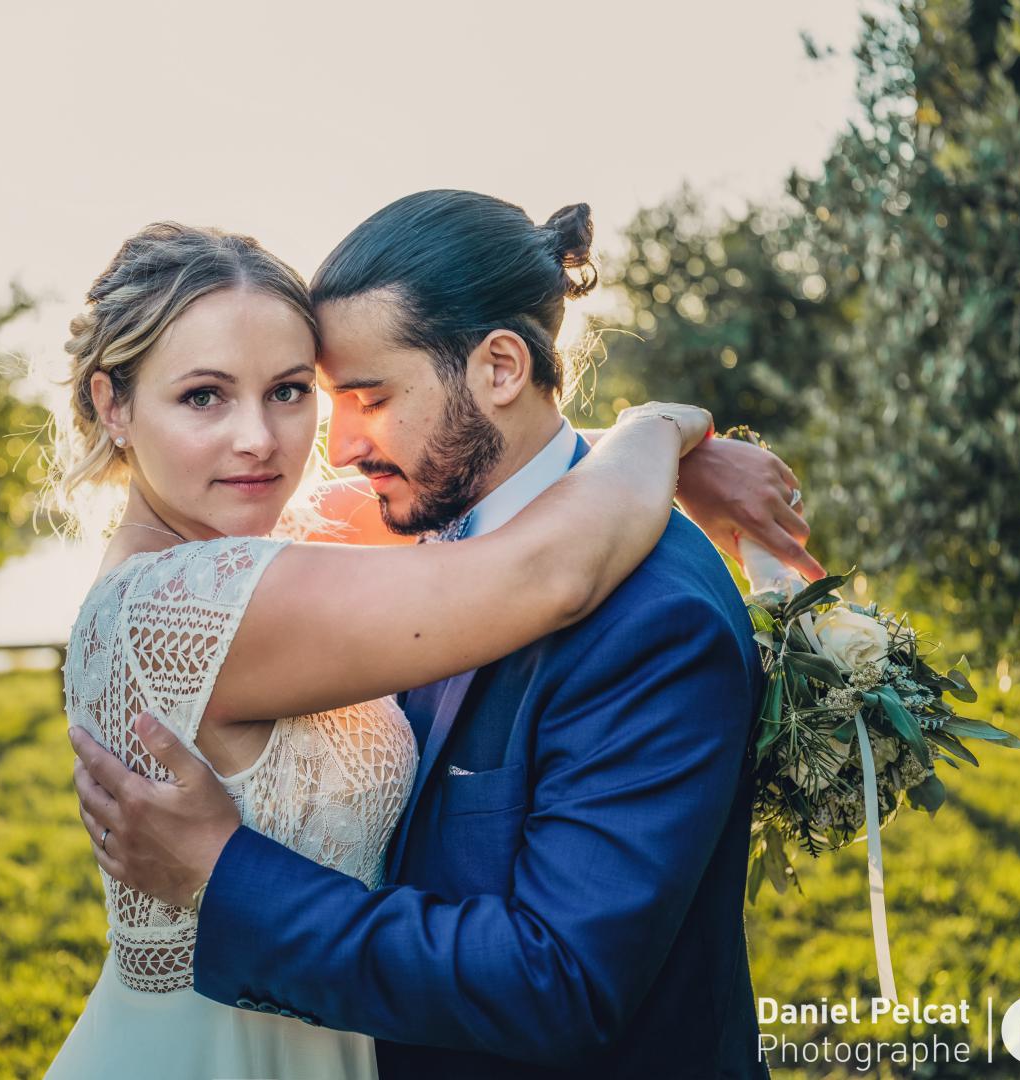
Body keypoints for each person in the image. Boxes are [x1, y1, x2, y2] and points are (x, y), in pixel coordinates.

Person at [56, 198, 814, 1078]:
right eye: (202, 397)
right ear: (112, 403)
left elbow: (559, 975)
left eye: (300, 392)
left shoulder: (637, 615)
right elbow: (545, 571)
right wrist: (664, 426)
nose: (277, 443)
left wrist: (654, 453)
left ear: (500, 366)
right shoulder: (187, 596)